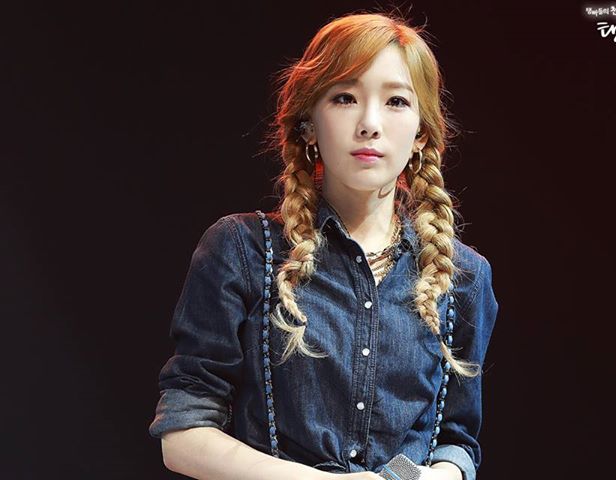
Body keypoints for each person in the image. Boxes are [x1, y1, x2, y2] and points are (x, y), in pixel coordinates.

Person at [148, 11, 499, 480]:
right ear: (309, 125)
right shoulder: (244, 251)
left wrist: (436, 475)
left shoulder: (463, 276)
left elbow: (456, 441)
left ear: (420, 133)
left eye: (396, 101)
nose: (370, 123)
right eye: (345, 98)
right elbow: (184, 433)